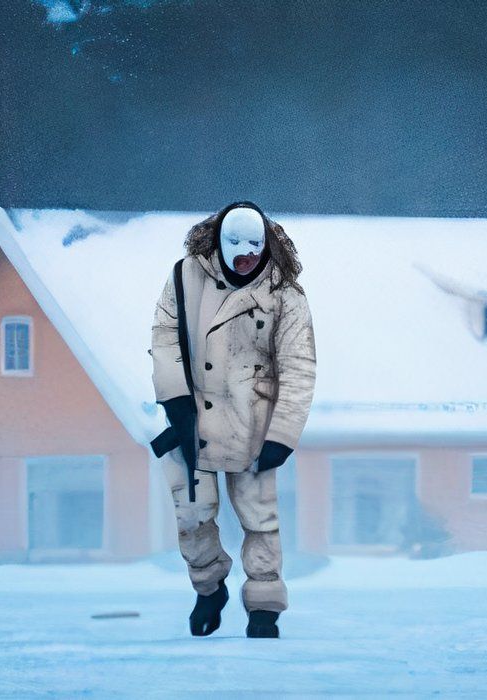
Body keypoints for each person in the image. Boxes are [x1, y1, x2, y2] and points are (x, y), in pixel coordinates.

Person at [148, 200, 316, 639]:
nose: (245, 255)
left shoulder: (286, 294)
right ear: (218, 242)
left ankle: (264, 609)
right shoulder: (185, 279)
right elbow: (164, 338)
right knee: (193, 515)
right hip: (194, 420)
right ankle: (208, 590)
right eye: (235, 245)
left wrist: (282, 434)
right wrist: (176, 402)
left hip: (254, 425)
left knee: (260, 519)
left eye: (254, 246)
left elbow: (299, 368)